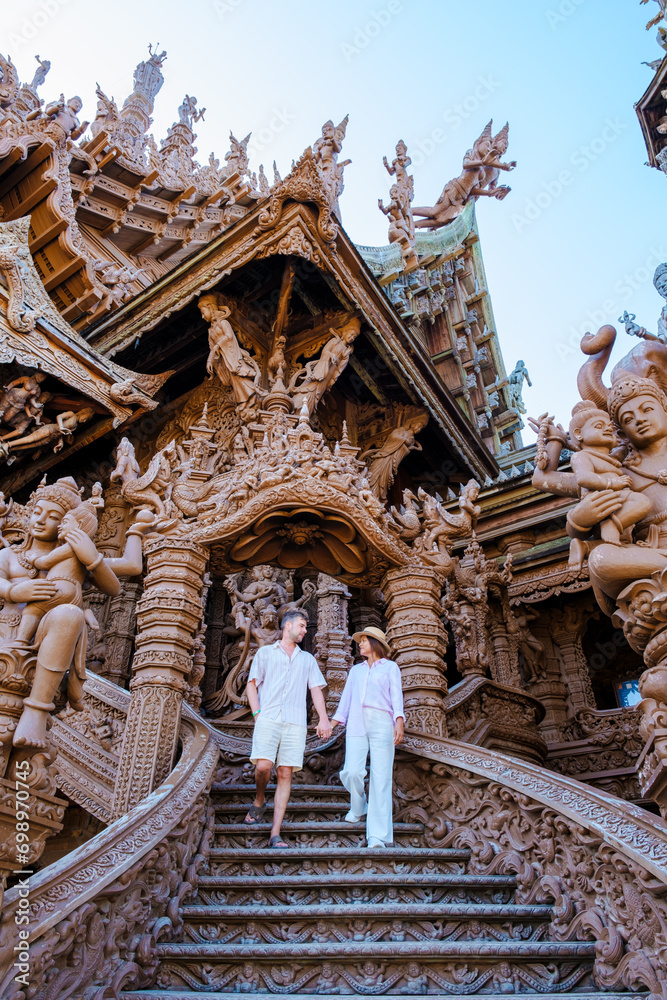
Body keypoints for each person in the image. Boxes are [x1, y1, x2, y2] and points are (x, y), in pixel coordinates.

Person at [244, 608, 332, 848]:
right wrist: (257, 714)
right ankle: (260, 799)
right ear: (288, 626)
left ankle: (275, 833)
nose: (305, 630)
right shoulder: (265, 653)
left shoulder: (307, 659)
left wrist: (323, 719)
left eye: (305, 626)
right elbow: (252, 685)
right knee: (264, 766)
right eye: (302, 626)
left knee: (284, 773)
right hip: (268, 717)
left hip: (295, 721)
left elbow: (315, 689)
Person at [332, 627, 404, 849]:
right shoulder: (356, 671)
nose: (360, 644)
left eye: (364, 641)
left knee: (381, 778)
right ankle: (358, 805)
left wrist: (399, 721)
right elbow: (346, 700)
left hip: (383, 722)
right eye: (360, 641)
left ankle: (377, 836)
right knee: (352, 771)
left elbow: (396, 696)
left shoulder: (391, 668)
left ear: (375, 643)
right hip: (357, 722)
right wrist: (331, 722)